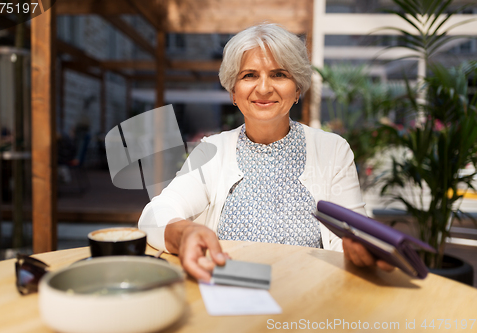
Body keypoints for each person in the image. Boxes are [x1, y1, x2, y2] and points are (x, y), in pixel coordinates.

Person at [139, 23, 393, 281]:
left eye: (279, 74)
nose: (263, 88)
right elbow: (155, 214)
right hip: (232, 294)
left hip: (309, 298)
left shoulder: (333, 150)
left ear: (297, 89)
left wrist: (361, 250)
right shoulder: (211, 151)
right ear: (233, 92)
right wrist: (183, 233)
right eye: (249, 75)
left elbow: (351, 237)